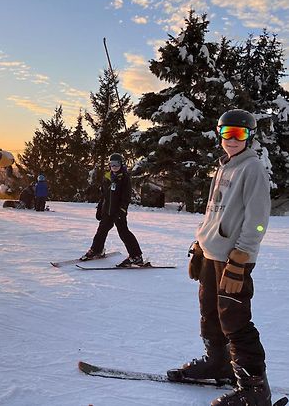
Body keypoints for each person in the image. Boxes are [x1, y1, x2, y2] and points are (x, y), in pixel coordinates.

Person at [167, 109, 272, 406]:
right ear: (219, 134)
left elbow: (258, 219)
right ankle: (219, 364)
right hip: (212, 253)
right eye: (227, 133)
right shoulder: (223, 167)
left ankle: (255, 390)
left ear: (249, 136)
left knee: (235, 321)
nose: (232, 139)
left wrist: (241, 257)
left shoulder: (252, 169)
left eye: (239, 134)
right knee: (210, 314)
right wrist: (201, 243)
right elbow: (213, 211)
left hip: (232, 259)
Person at [81, 153, 143, 267]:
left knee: (124, 233)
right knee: (101, 231)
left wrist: (122, 210)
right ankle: (96, 250)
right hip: (107, 211)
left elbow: (126, 198)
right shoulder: (107, 177)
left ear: (121, 164)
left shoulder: (124, 178)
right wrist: (100, 208)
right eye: (112, 164)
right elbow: (104, 196)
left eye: (117, 164)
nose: (114, 166)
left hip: (118, 212)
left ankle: (136, 256)